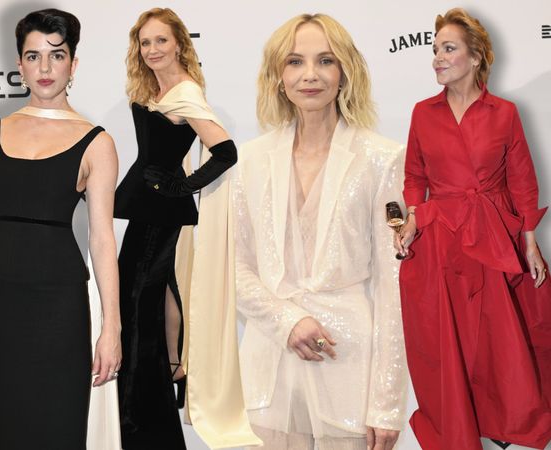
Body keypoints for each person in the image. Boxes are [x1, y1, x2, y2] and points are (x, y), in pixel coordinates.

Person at [234, 13, 408, 450]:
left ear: (345, 72)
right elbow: (234, 266)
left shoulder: (381, 158)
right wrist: (287, 321)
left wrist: (386, 404)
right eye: (295, 62)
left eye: (325, 61)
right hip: (269, 365)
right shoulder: (250, 160)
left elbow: (394, 285)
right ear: (277, 76)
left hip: (347, 363)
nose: (310, 74)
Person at [0, 8, 121, 450]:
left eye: (56, 55)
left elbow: (103, 240)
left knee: (57, 430)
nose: (45, 67)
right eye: (33, 56)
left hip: (59, 309)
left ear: (73, 64)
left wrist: (112, 329)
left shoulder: (97, 142)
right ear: (19, 64)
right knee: (3, 431)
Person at [396, 7, 551, 450]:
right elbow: (415, 176)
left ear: (476, 56)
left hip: (493, 236)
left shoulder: (505, 112)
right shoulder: (423, 113)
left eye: (449, 49)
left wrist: (530, 242)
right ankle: (458, 426)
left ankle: (501, 423)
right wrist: (411, 219)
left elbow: (523, 181)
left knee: (499, 340)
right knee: (449, 340)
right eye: (435, 50)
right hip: (442, 238)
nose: (437, 58)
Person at [114, 7, 259, 449]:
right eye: (145, 42)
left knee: (138, 307)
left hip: (162, 215)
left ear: (179, 43)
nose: (153, 49)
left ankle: (141, 417)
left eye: (161, 40)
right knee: (144, 303)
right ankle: (146, 402)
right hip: (146, 211)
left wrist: (182, 187)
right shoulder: (154, 88)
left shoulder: (185, 92)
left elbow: (226, 151)